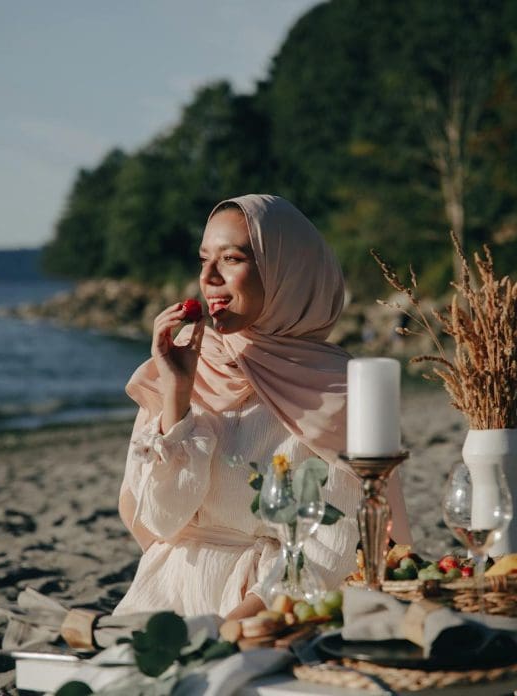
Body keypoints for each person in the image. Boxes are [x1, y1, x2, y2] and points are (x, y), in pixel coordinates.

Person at [113, 194, 411, 620]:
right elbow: (161, 522)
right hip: (165, 596)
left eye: (231, 258)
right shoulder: (186, 365)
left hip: (272, 609)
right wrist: (176, 396)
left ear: (286, 272)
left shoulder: (339, 392)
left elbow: (330, 553)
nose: (209, 277)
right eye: (203, 260)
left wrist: (228, 628)